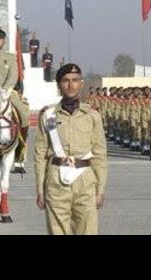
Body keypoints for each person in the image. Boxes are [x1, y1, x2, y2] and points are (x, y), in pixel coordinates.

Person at [34, 64, 107, 235]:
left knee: (88, 231)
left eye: (75, 80)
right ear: (59, 85)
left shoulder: (92, 115)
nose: (71, 84)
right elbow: (40, 154)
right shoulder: (48, 114)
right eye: (65, 80)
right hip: (56, 181)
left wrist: (100, 190)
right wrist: (39, 189)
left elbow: (99, 155)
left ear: (81, 83)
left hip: (86, 182)